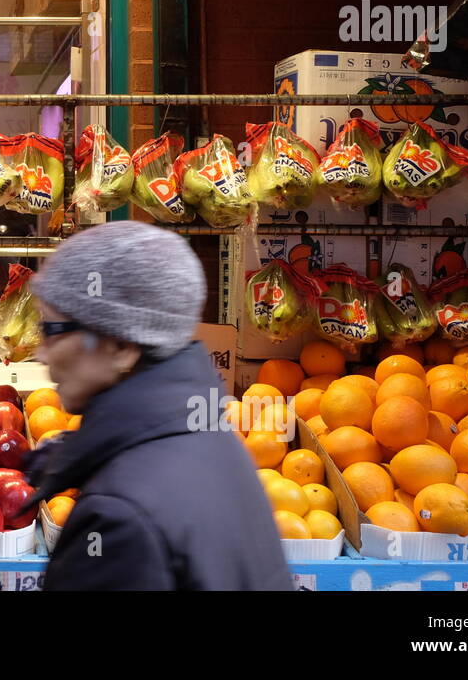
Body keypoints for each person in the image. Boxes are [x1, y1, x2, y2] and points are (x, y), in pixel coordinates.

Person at [25, 221, 292, 591]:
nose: (41, 353)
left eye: (51, 329)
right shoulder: (216, 444)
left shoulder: (119, 516)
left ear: (121, 345)